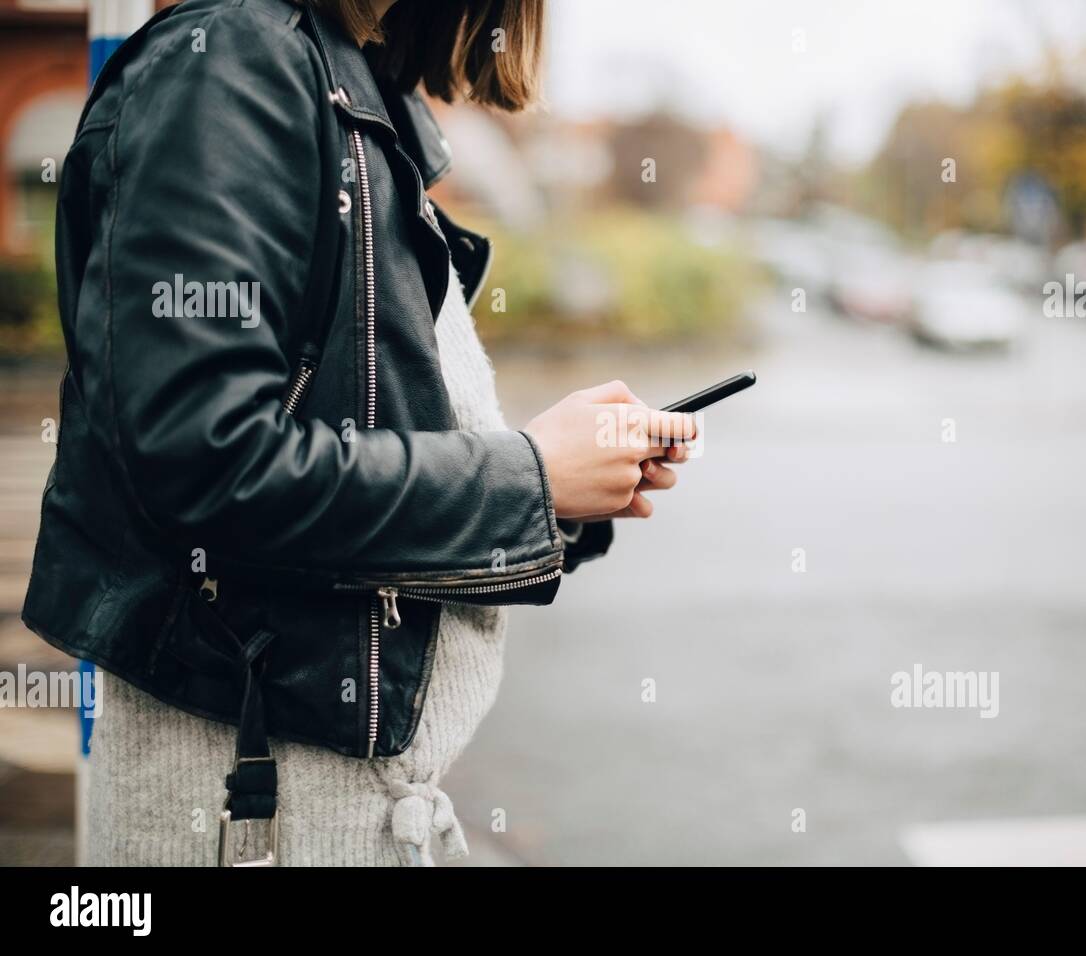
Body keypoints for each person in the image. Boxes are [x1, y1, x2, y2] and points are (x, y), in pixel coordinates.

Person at [22, 0, 696, 866]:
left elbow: (343, 440)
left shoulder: (348, 83)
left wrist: (556, 488)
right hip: (257, 813)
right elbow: (209, 460)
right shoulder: (232, 57)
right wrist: (525, 478)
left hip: (330, 806)